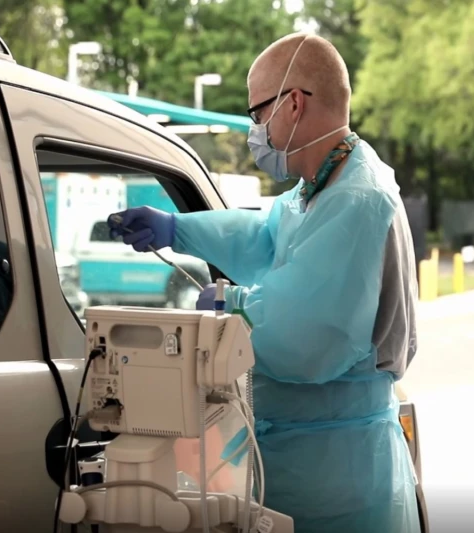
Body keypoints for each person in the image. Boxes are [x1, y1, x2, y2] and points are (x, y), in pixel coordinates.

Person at [108, 33, 420, 533]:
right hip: (306, 457)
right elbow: (265, 235)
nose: (255, 132)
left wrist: (233, 305)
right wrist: (177, 228)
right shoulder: (320, 187)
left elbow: (304, 340)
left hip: (335, 475)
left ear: (294, 104)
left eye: (257, 114)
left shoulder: (357, 200)